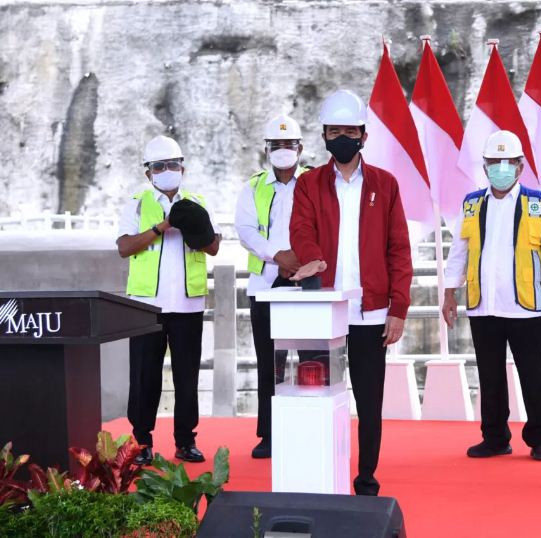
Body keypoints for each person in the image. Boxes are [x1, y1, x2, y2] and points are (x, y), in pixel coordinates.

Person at [288, 89, 412, 496]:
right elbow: (301, 230)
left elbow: (399, 249)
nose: (342, 137)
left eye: (350, 131)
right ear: (324, 135)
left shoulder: (386, 185)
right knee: (317, 394)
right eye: (334, 131)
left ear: (363, 135)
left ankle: (367, 476)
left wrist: (399, 308)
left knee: (368, 400)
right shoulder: (308, 184)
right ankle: (322, 466)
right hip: (321, 307)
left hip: (371, 312)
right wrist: (313, 260)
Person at [442, 130, 541, 461]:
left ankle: (540, 438)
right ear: (484, 167)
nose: (501, 168)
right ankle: (495, 436)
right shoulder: (471, 204)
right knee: (490, 375)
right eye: (493, 163)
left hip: (526, 306)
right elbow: (459, 251)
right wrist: (449, 293)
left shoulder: (537, 203)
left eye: (508, 162)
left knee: (535, 375)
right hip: (484, 305)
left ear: (520, 165)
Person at [117, 135, 221, 465]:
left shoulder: (198, 201)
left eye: (172, 165)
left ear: (182, 168)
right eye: (158, 166)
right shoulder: (135, 202)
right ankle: (141, 442)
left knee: (187, 376)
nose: (166, 171)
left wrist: (195, 227)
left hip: (188, 305)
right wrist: (163, 226)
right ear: (148, 173)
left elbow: (213, 246)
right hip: (146, 306)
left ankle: (185, 441)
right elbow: (125, 247)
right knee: (144, 375)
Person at [235, 114, 310, 459]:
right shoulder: (253, 187)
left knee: (312, 357)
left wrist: (302, 258)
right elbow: (246, 231)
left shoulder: (316, 182)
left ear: (301, 148)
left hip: (308, 280)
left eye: (289, 145)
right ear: (266, 149)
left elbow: (327, 223)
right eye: (276, 145)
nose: (283, 151)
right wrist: (278, 255)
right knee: (271, 362)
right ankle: (269, 434)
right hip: (266, 282)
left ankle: (311, 427)